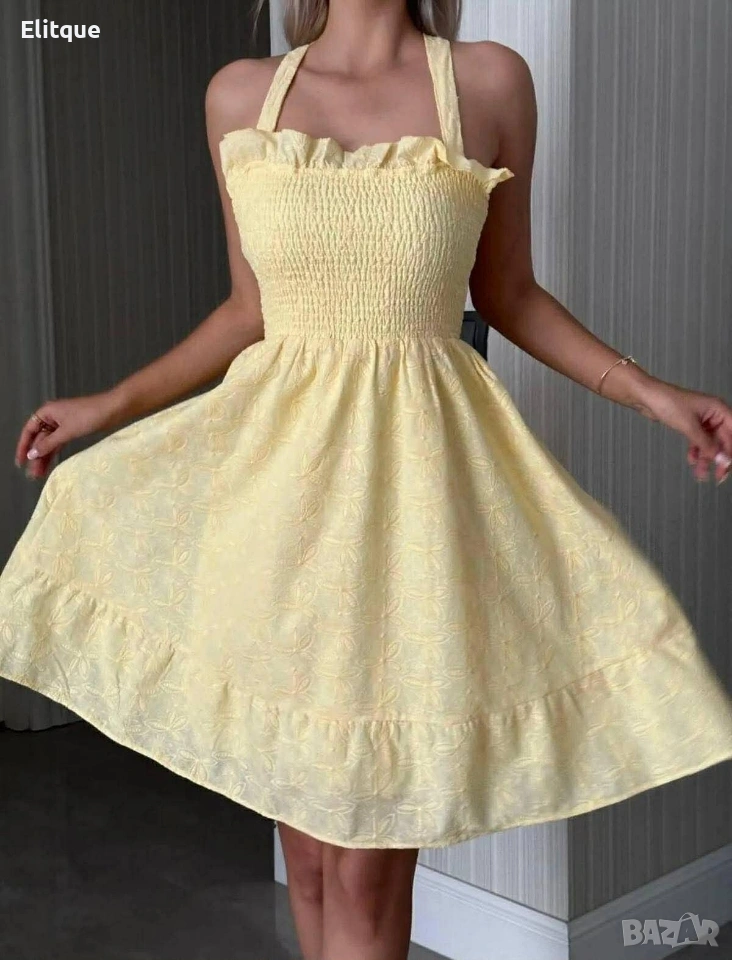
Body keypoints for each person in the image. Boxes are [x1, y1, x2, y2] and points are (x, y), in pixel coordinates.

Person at [3, 1, 732, 958]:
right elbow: (248, 311)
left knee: (362, 868)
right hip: (277, 508)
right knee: (308, 858)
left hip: (411, 514)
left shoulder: (488, 80)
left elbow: (507, 294)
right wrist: (112, 404)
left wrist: (652, 394)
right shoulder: (240, 95)